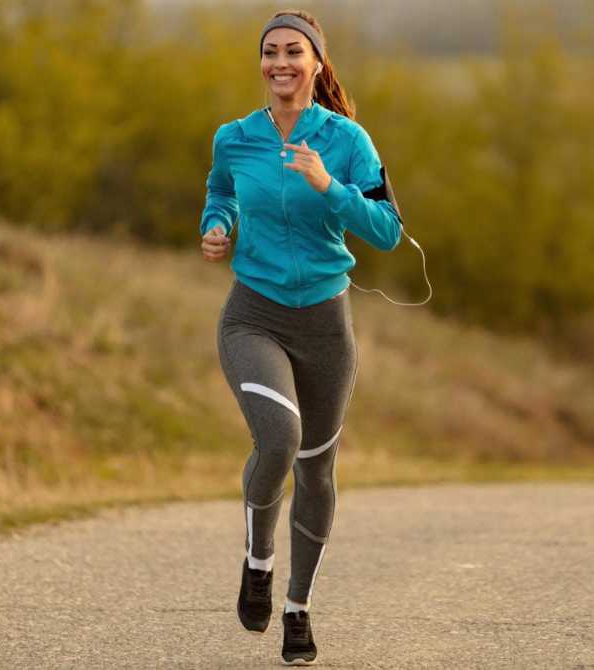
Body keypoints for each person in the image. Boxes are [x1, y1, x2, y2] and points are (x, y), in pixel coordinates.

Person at [198, 8, 404, 666]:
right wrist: (217, 224)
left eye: (293, 52)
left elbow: (388, 230)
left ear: (317, 64)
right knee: (278, 438)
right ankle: (258, 560)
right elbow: (220, 192)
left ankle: (297, 608)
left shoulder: (349, 141)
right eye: (270, 52)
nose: (280, 63)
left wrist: (330, 186)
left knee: (316, 470)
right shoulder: (234, 137)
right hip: (252, 314)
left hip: (325, 325)